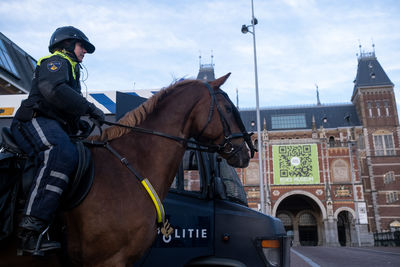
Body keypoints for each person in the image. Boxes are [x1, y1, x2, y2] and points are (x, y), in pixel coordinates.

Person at [10, 26, 105, 255]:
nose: (85, 52)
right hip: (32, 121)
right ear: (67, 44)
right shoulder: (56, 61)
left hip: (50, 122)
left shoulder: (72, 70)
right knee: (60, 151)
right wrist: (90, 109)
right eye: (82, 46)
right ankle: (30, 232)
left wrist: (77, 123)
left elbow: (62, 105)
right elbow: (53, 90)